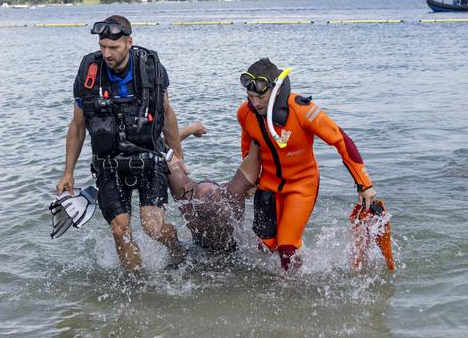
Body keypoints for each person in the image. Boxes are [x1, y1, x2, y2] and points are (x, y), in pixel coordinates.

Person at [56, 15, 186, 271]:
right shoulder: (88, 71)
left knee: (153, 228)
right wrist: (68, 172)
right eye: (102, 46)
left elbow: (167, 114)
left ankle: (177, 251)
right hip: (109, 163)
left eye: (113, 48)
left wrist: (178, 157)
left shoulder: (151, 67)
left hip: (149, 157)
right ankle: (135, 285)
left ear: (129, 43)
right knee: (120, 228)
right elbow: (77, 125)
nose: (106, 53)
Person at [237, 58, 378, 271]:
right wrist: (251, 180)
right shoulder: (245, 114)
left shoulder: (302, 110)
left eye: (260, 96)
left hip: (302, 185)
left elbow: (341, 140)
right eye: (250, 97)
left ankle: (295, 292)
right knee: (265, 247)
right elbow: (248, 143)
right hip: (268, 185)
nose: (255, 103)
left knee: (286, 247)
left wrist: (364, 184)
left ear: (276, 91)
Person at [167, 122, 260, 251]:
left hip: (200, 250)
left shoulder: (185, 198)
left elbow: (164, 146)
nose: (207, 179)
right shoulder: (233, 196)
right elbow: (258, 149)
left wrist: (190, 130)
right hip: (233, 251)